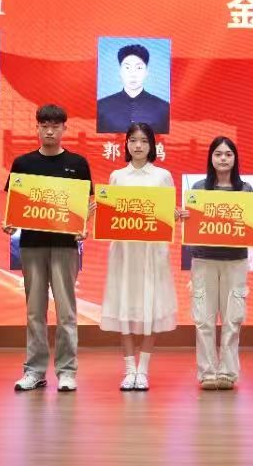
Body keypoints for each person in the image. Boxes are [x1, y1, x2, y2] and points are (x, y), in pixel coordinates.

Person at [4, 104, 94, 392]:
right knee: (35, 311)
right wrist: (10, 223)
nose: (50, 131)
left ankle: (67, 371)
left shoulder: (78, 163)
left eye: (55, 126)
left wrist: (84, 224)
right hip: (32, 246)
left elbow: (87, 204)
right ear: (37, 128)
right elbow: (14, 205)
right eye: (44, 126)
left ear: (64, 128)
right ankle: (34, 370)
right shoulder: (23, 163)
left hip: (65, 246)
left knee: (66, 312)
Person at [101, 122, 178, 391]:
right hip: (124, 253)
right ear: (126, 144)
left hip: (152, 253)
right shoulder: (117, 176)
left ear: (152, 145)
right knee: (124, 305)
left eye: (144, 141)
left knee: (150, 307)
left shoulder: (162, 176)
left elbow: (167, 215)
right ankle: (129, 370)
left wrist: (175, 214)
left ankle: (143, 370)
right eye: (133, 140)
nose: (138, 145)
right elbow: (110, 214)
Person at [179, 137, 253, 390]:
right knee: (204, 319)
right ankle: (207, 372)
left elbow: (249, 225)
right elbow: (192, 223)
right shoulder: (199, 188)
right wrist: (185, 216)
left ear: (235, 159)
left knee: (233, 319)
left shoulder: (245, 191)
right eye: (218, 154)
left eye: (228, 154)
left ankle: (228, 372)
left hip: (235, 261)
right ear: (211, 158)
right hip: (204, 259)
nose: (223, 158)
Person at [97, 44, 170, 133]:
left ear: (146, 72)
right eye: (127, 67)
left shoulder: (164, 109)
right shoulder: (101, 107)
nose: (133, 74)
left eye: (139, 68)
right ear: (120, 71)